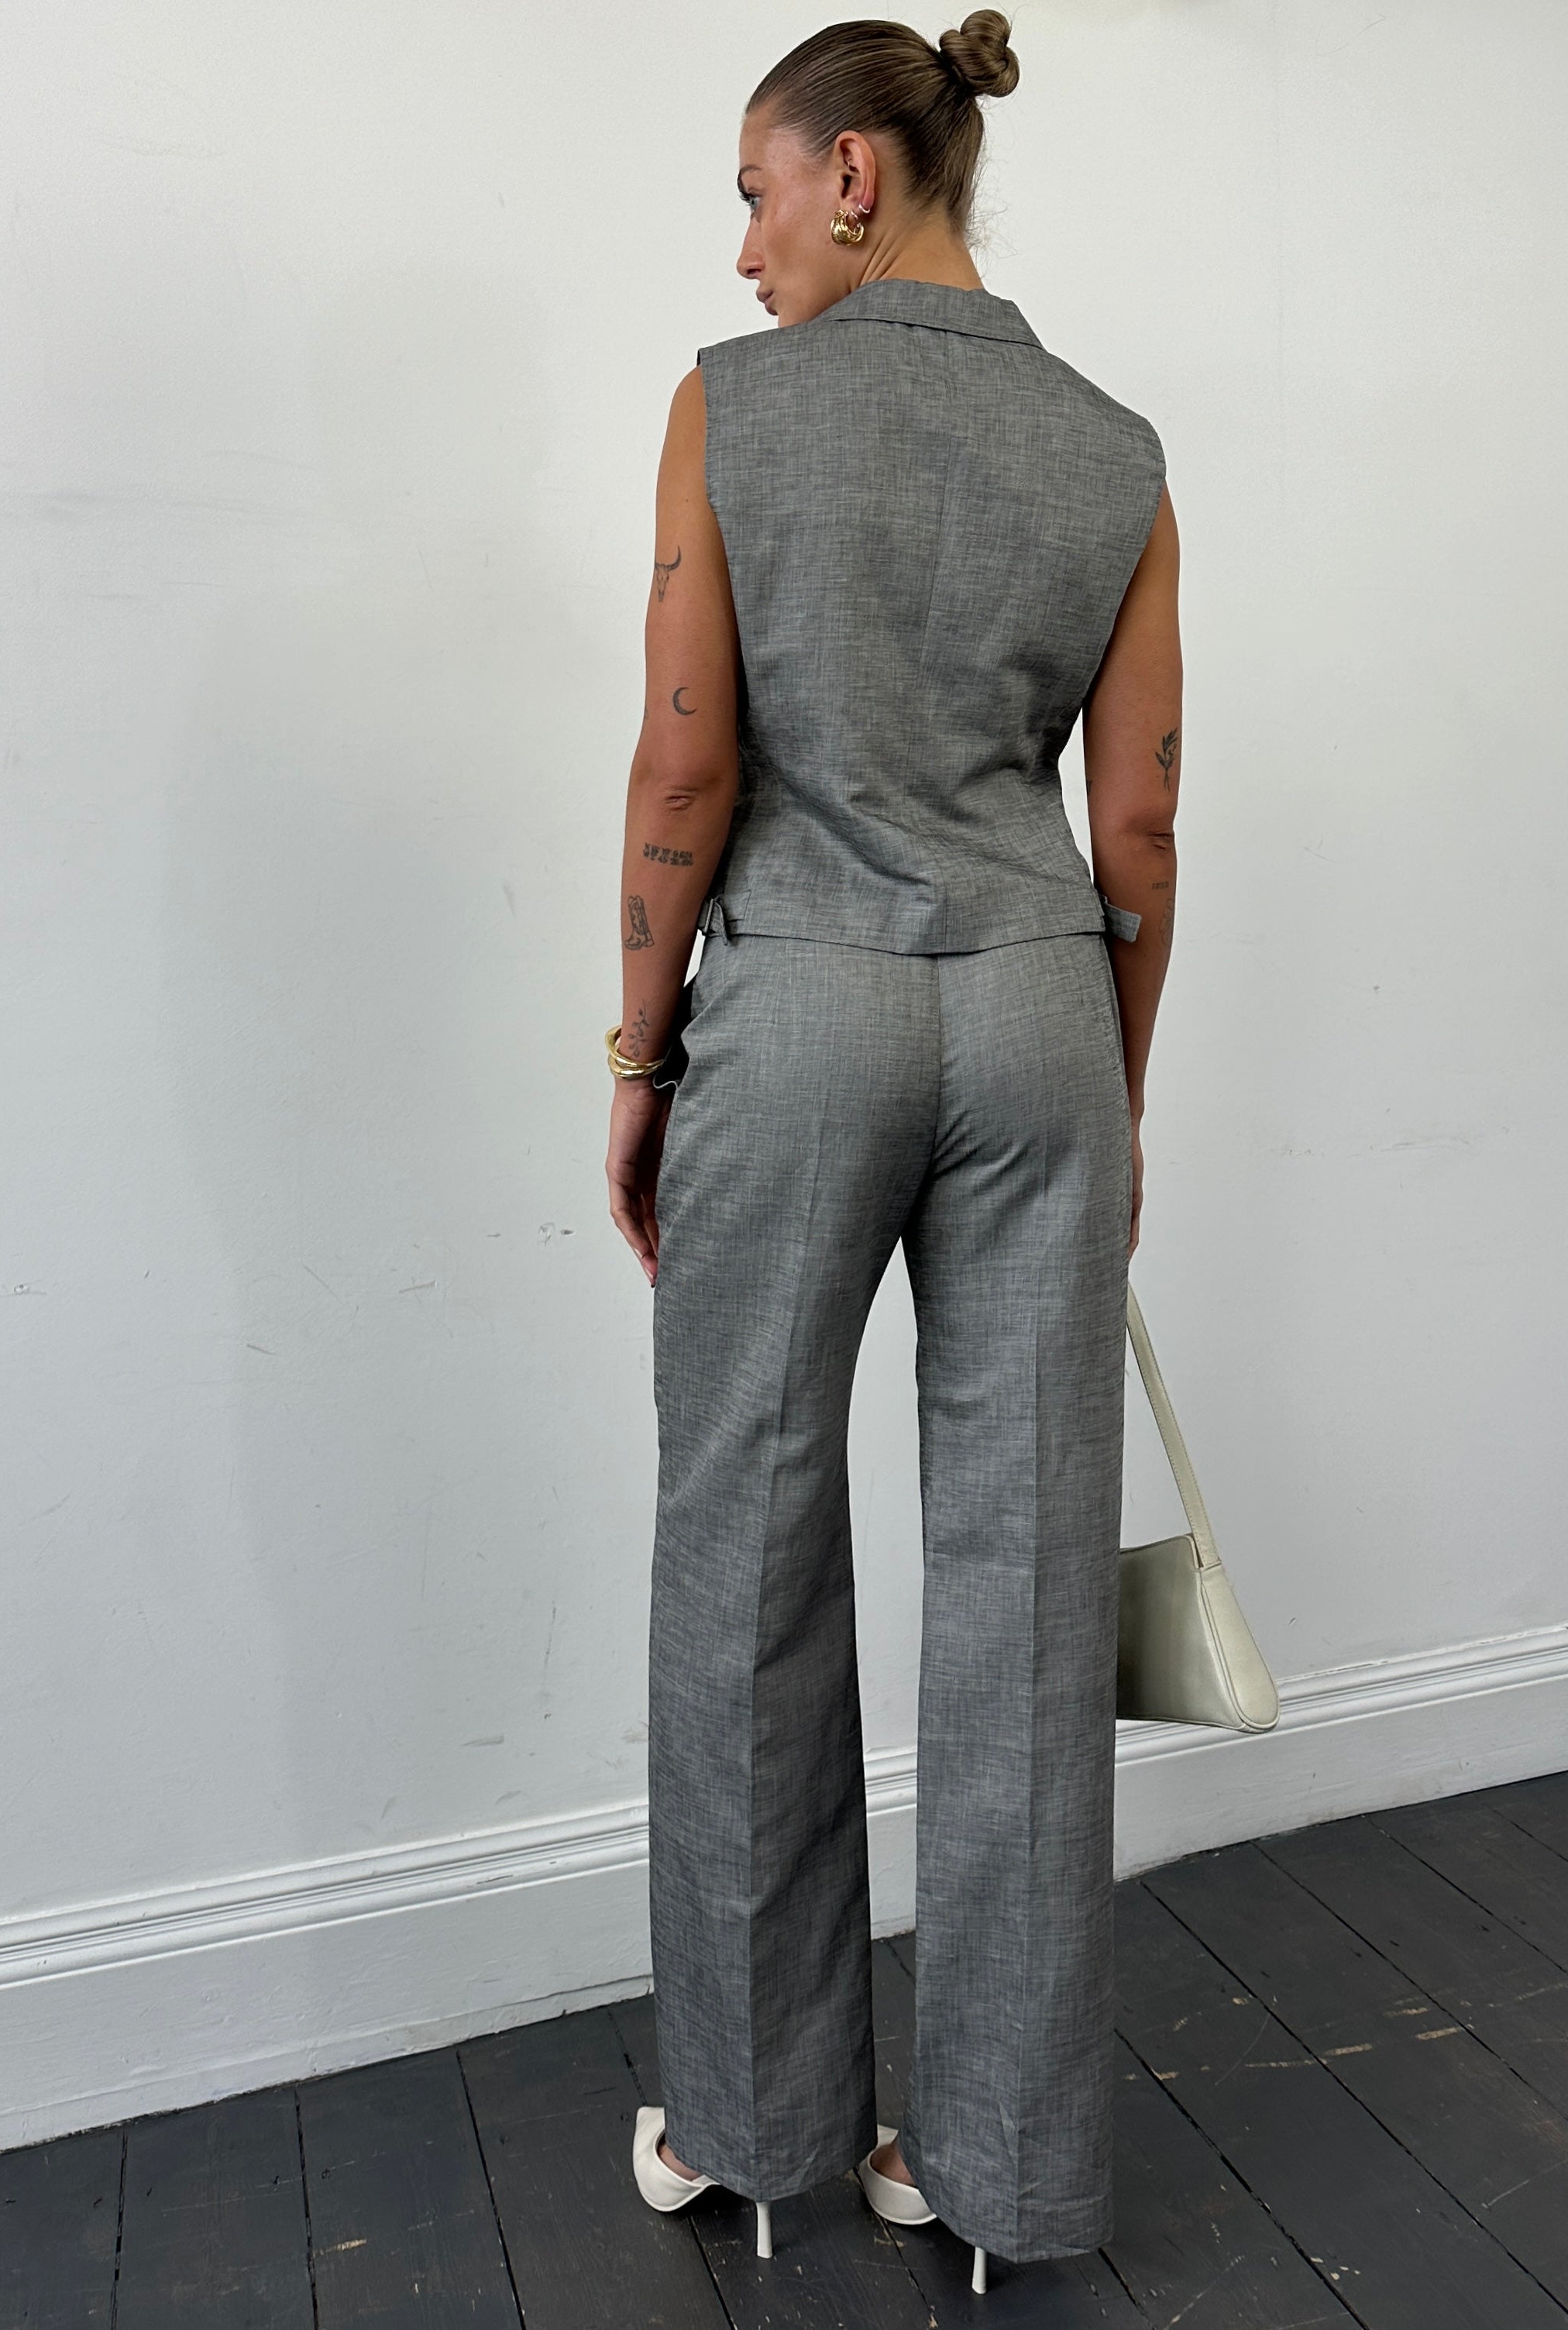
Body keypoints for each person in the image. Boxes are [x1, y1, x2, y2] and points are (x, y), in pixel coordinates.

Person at [604, 9, 1181, 2293]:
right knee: (1030, 1587)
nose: (742, 250)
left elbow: (683, 772)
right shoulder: (1116, 450)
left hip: (803, 1010)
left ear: (856, 172)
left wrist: (642, 1055)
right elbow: (1139, 829)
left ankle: (756, 2127)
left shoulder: (731, 412)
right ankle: (1002, 2174)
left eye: (757, 196)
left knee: (745, 1541)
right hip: (1040, 1013)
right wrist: (1110, 1081)